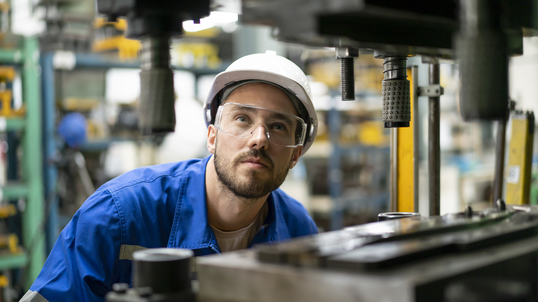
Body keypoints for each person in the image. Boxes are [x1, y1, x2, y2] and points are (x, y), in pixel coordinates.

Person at [21, 51, 319, 302]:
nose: (259, 139)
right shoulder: (118, 214)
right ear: (212, 137)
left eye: (278, 126)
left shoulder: (297, 231)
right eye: (242, 119)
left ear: (296, 154)